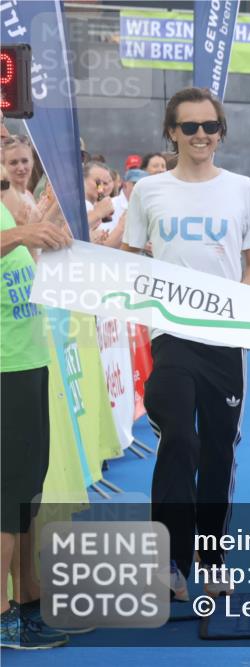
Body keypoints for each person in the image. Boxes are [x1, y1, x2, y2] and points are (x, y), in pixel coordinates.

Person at [122, 87, 250, 602]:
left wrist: (241, 306)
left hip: (226, 342)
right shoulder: (150, 192)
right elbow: (131, 258)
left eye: (210, 127)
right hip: (172, 337)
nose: (201, 135)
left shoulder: (242, 189)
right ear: (172, 132)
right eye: (190, 127)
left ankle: (212, 556)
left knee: (220, 451)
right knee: (180, 438)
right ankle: (170, 560)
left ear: (221, 133)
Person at [1, 173, 74, 649]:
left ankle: (28, 599)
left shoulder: (6, 197)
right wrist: (22, 234)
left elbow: (21, 262)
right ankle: (3, 615)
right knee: (7, 499)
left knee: (27, 492)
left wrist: (46, 227)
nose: (5, 134)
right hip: (5, 366)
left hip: (28, 359)